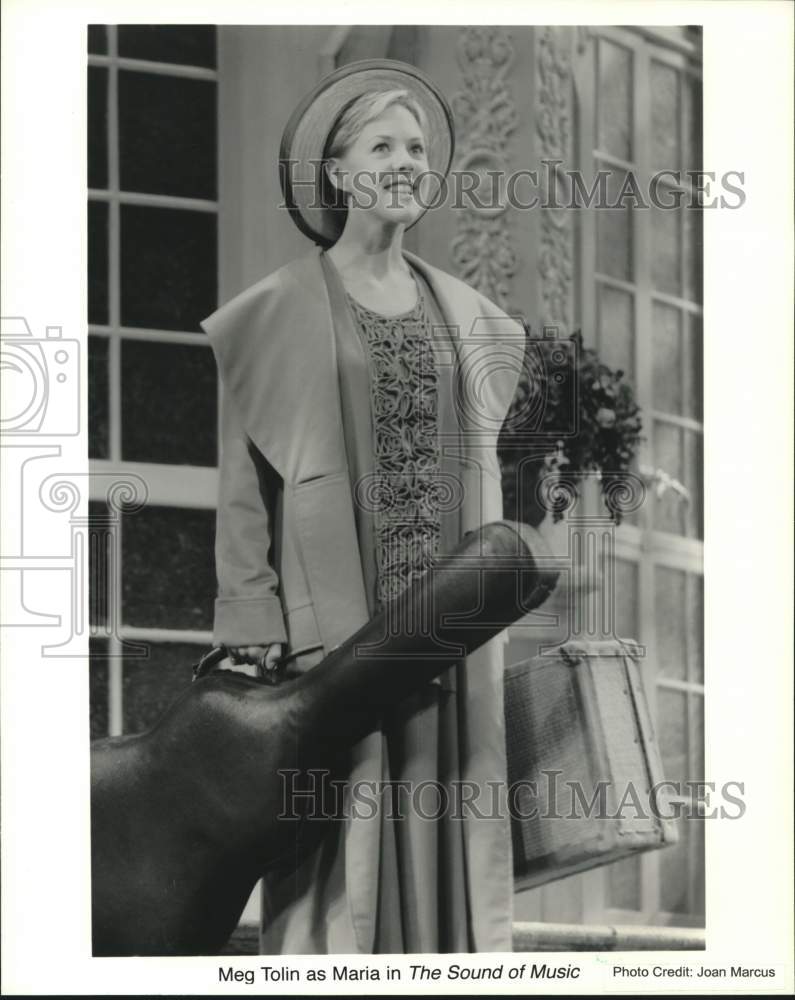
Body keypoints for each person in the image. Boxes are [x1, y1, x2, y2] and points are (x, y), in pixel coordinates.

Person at [201, 59, 525, 955]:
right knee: (339, 827)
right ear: (338, 174)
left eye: (416, 147)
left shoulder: (469, 317)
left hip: (449, 621)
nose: (405, 162)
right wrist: (247, 613)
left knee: (448, 805)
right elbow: (243, 482)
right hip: (336, 624)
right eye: (382, 144)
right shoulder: (272, 313)